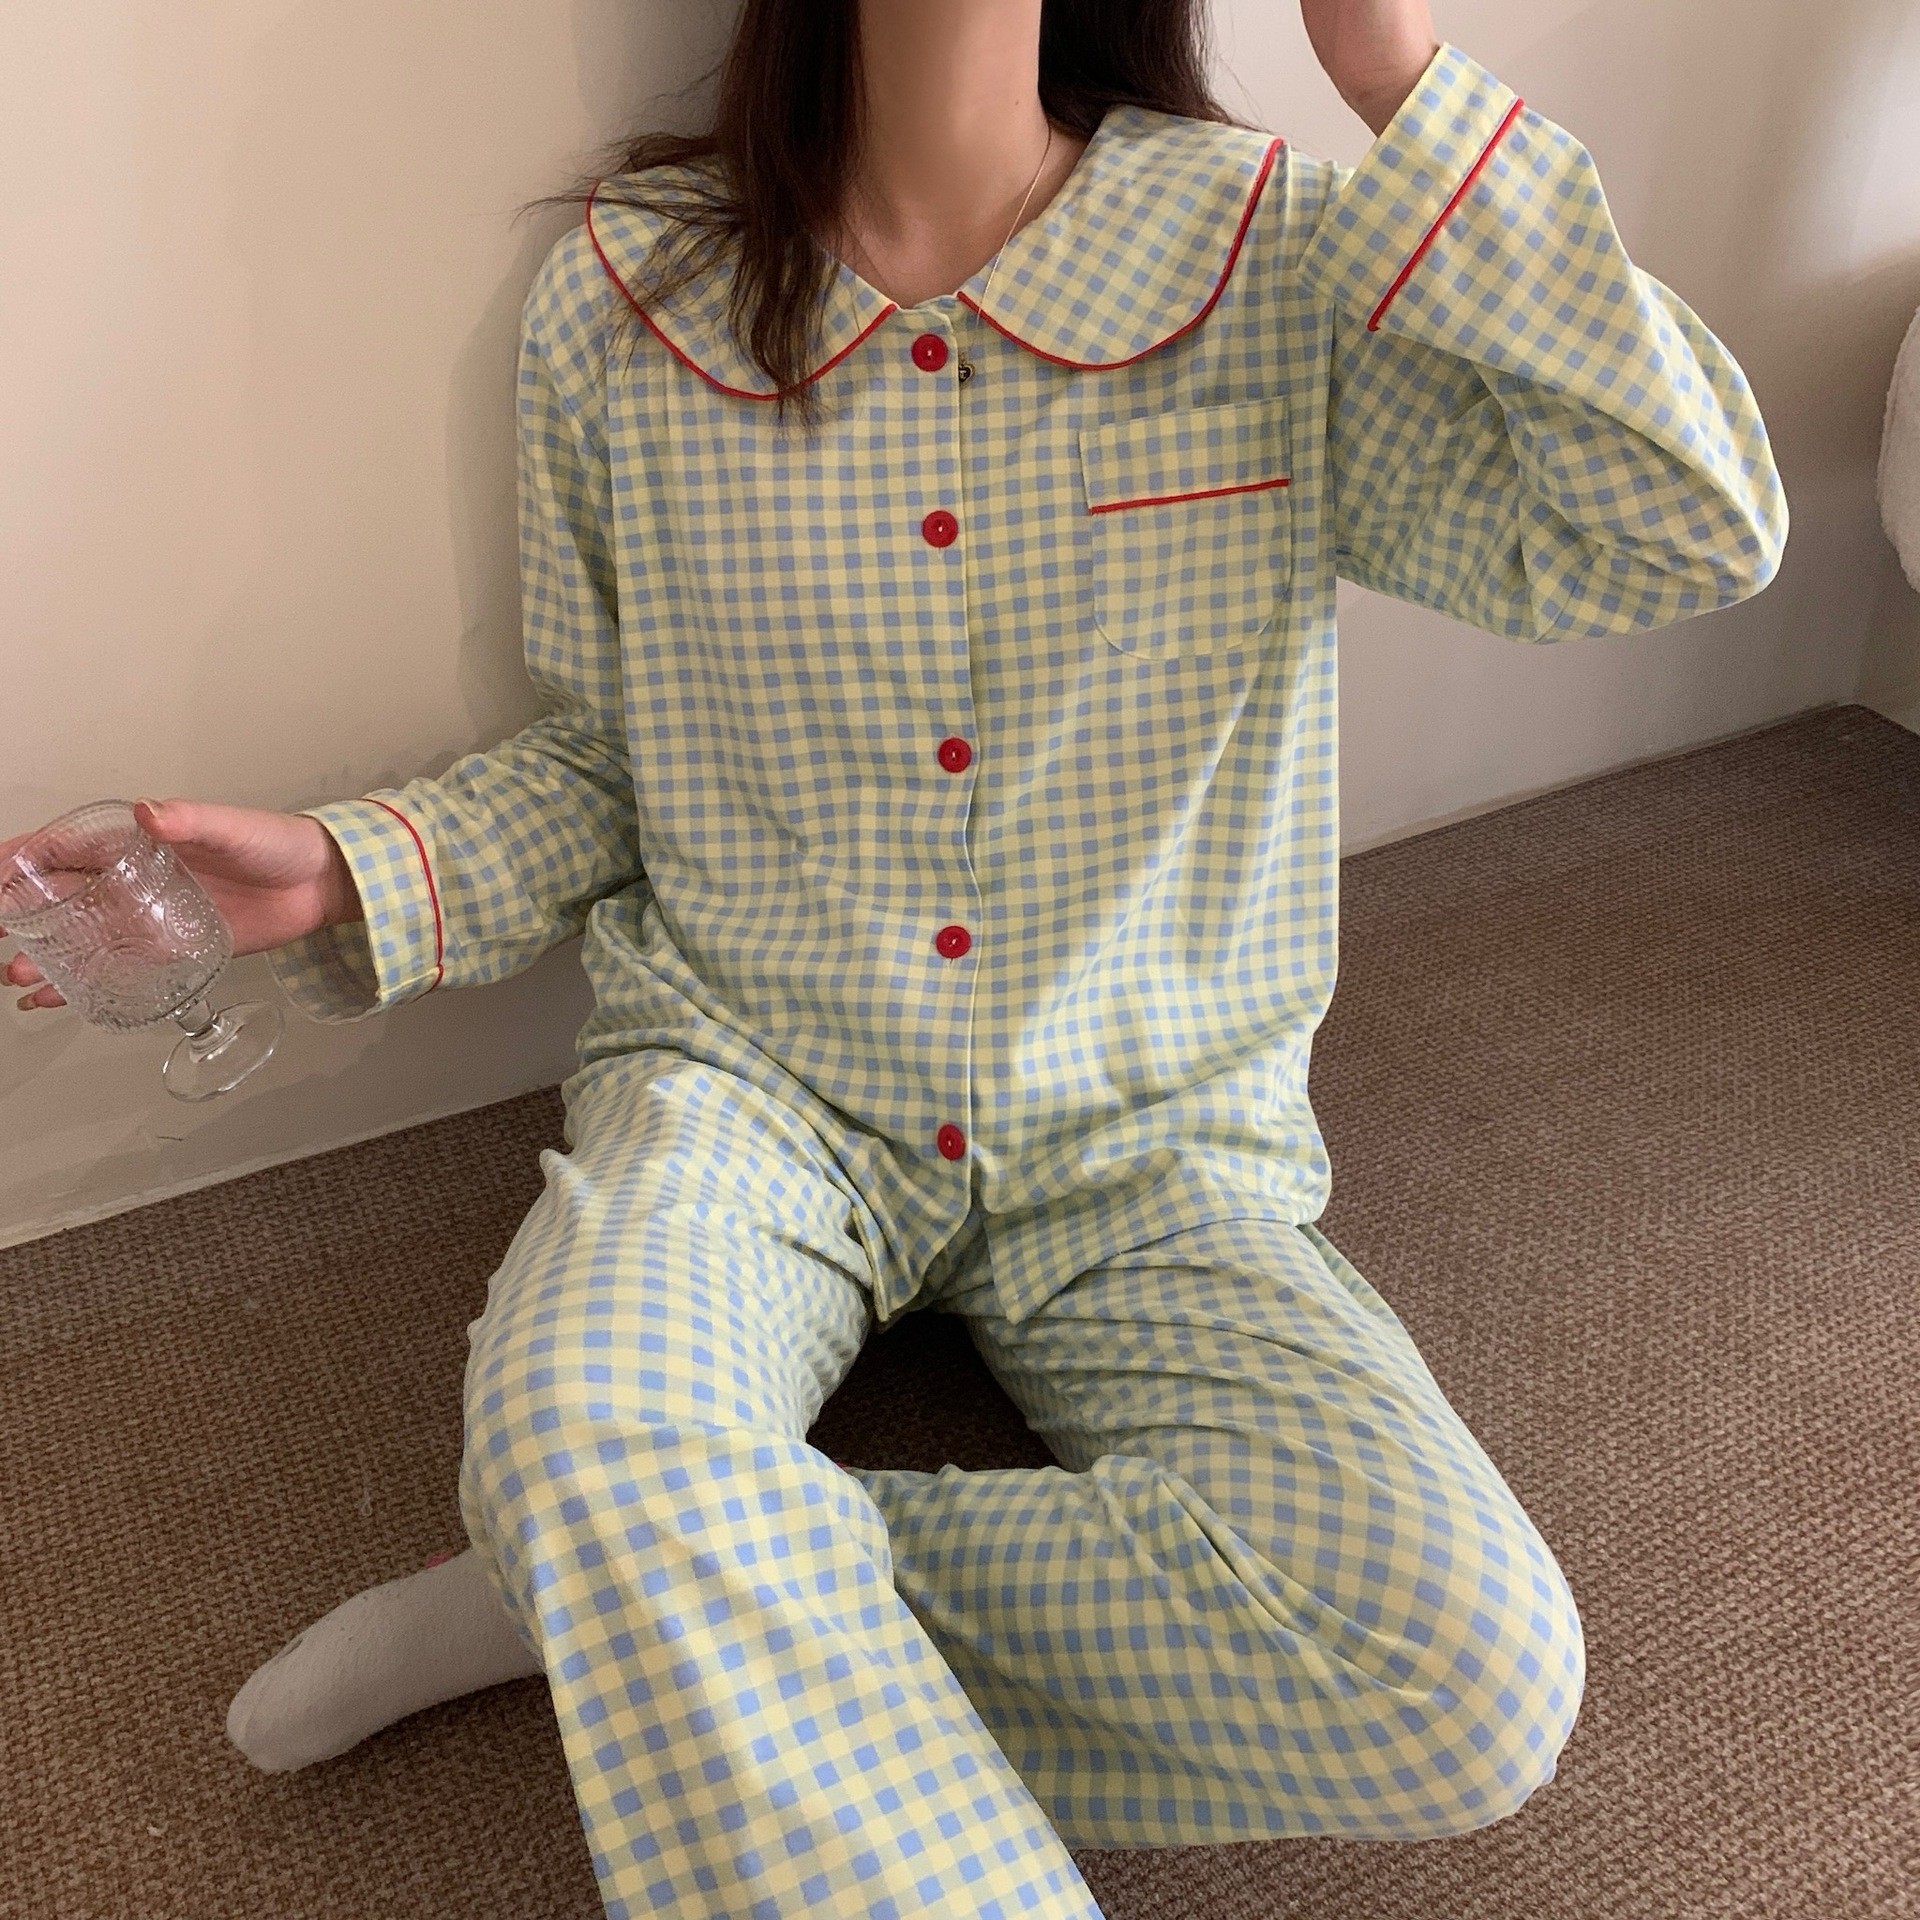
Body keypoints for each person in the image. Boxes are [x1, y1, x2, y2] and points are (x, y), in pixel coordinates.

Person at [4, 0, 1786, 1913]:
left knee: (1462, 1673)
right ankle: (639, 1549)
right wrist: (348, 874)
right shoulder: (631, 292)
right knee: (584, 1418)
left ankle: (620, 1583)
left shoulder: (1272, 247)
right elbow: (616, 761)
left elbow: (1678, 534)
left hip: (1151, 1140)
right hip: (758, 1096)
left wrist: (1391, 70)